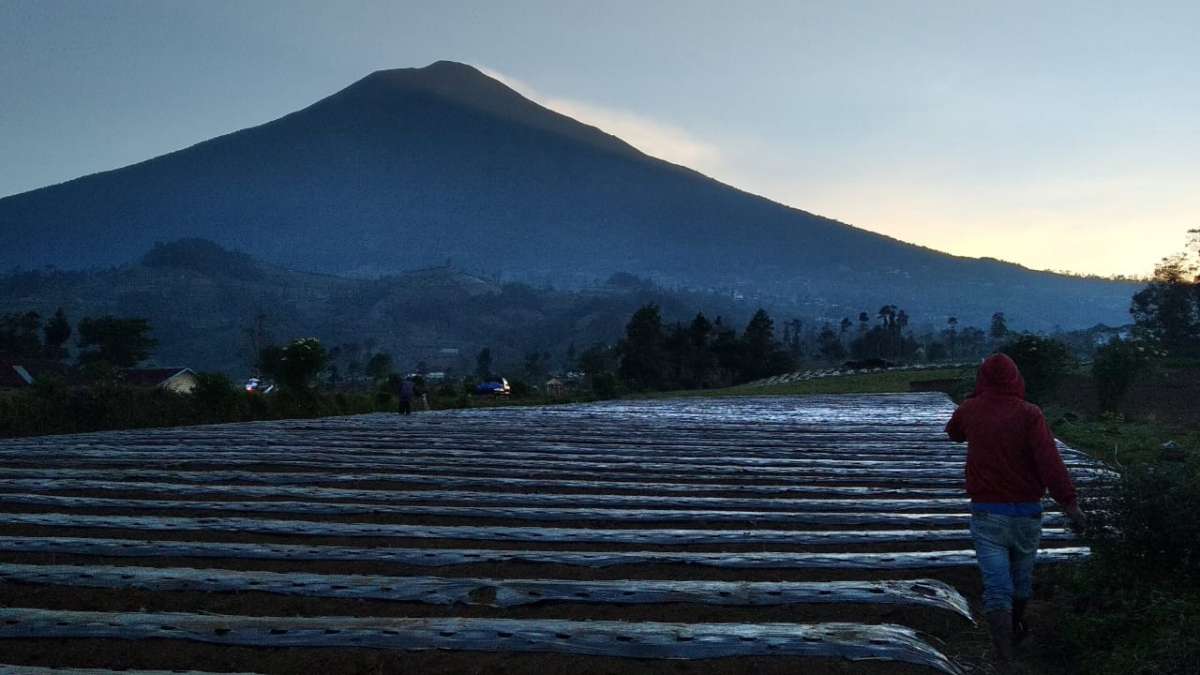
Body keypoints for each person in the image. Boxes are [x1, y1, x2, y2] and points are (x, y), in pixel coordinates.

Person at [945, 353, 1087, 669]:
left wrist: (975, 401)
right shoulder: (1029, 414)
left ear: (983, 379)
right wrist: (1071, 505)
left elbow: (953, 433)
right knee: (1021, 583)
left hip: (987, 515)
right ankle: (1018, 627)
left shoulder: (970, 410)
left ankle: (1003, 656)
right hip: (1027, 514)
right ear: (1015, 379)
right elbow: (1050, 463)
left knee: (997, 588)